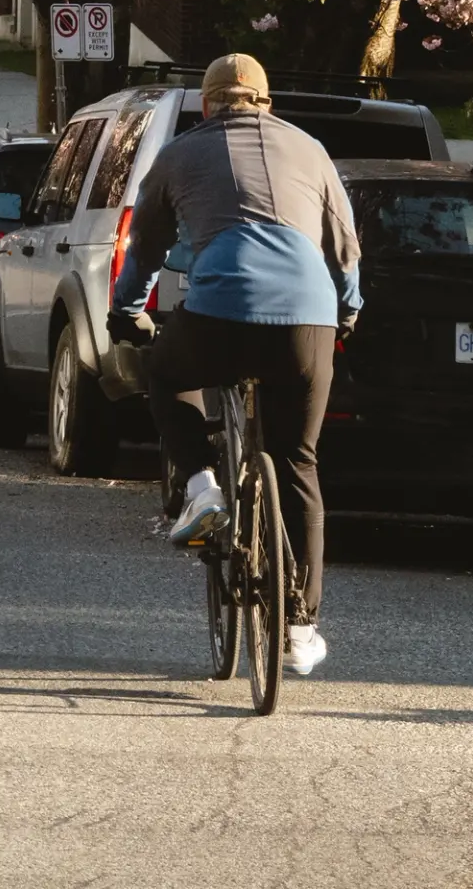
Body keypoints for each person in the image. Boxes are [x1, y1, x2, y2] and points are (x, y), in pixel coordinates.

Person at [108, 52, 361, 679]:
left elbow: (145, 248)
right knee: (300, 463)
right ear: (266, 102)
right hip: (308, 319)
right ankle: (302, 629)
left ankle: (201, 489)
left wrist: (127, 312)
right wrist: (348, 312)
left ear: (206, 106)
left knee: (167, 374)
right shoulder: (312, 152)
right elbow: (345, 249)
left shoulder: (178, 155)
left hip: (219, 312)